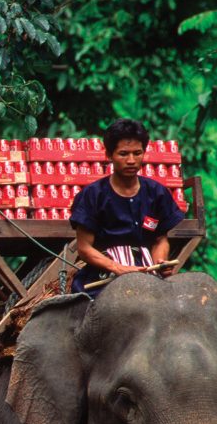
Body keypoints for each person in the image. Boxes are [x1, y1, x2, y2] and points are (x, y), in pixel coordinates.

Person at [69, 118, 185, 294]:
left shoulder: (157, 193)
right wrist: (119, 268)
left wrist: (160, 263)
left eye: (137, 153)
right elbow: (84, 248)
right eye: (123, 154)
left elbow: (160, 240)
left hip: (147, 273)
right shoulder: (93, 195)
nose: (131, 160)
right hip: (104, 275)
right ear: (109, 155)